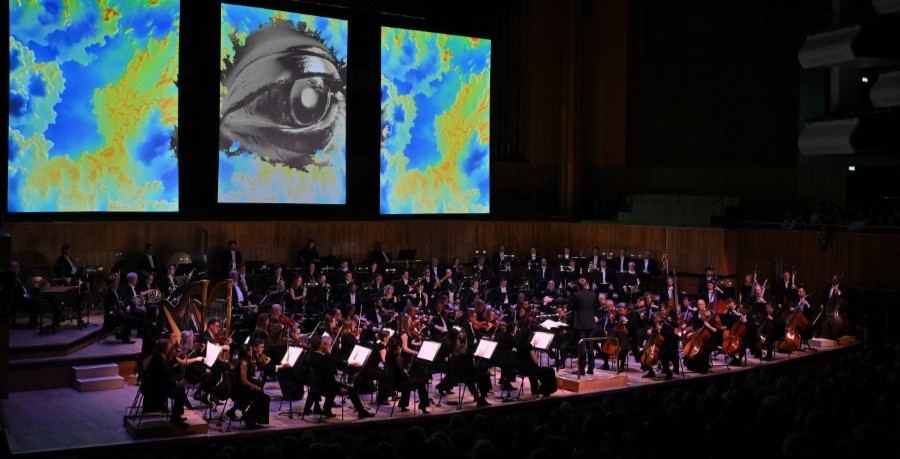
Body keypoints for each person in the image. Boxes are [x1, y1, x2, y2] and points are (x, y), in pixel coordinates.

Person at [305, 334, 374, 419]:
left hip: (317, 386)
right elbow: (330, 379)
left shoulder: (311, 355)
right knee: (351, 389)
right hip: (326, 387)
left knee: (336, 386)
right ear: (321, 345)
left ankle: (327, 410)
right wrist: (340, 388)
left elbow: (334, 361)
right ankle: (362, 412)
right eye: (330, 345)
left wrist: (348, 363)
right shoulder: (324, 360)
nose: (331, 346)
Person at [546, 278, 598, 375]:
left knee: (582, 347)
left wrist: (551, 300)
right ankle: (591, 368)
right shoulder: (593, 294)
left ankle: (581, 370)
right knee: (590, 346)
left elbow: (565, 300)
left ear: (577, 286)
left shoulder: (576, 295)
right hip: (590, 323)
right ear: (586, 284)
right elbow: (595, 306)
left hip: (581, 324)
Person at [142, 338, 190, 426]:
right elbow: (164, 378)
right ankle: (176, 418)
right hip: (155, 389)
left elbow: (165, 373)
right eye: (168, 346)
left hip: (158, 383)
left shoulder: (158, 355)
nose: (170, 348)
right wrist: (177, 383)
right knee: (179, 392)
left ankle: (176, 416)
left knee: (179, 385)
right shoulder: (159, 360)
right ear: (164, 348)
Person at [384, 336, 430, 413]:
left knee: (408, 382)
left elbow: (398, 372)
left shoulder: (388, 355)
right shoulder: (396, 357)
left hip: (391, 381)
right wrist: (407, 376)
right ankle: (423, 406)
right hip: (397, 383)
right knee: (421, 384)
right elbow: (400, 373)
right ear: (397, 347)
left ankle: (403, 405)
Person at [449, 332, 491, 407]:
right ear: (466, 341)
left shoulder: (454, 351)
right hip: (466, 377)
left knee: (480, 376)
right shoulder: (467, 353)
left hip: (456, 376)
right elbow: (472, 369)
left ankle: (478, 397)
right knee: (485, 376)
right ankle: (482, 398)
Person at [103, 275, 140, 343]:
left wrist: (126, 307)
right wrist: (122, 310)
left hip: (118, 314)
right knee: (131, 319)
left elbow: (121, 303)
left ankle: (122, 335)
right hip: (112, 316)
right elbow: (113, 307)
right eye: (116, 283)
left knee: (135, 318)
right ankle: (124, 337)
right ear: (111, 284)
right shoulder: (109, 294)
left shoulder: (116, 292)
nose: (118, 284)